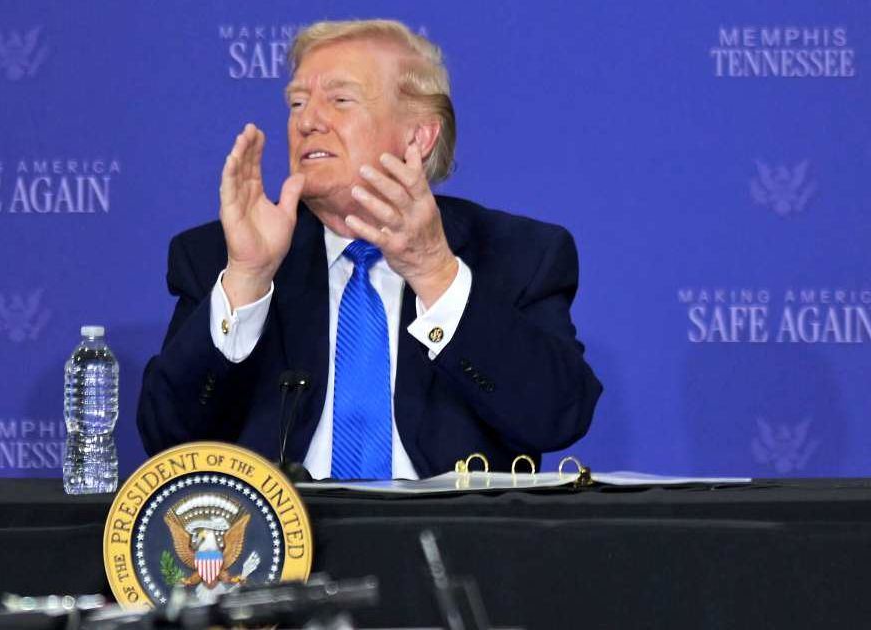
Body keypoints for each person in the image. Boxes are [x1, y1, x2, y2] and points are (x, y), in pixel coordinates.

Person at [138, 19, 601, 479]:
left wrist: (435, 272)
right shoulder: (223, 257)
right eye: (297, 102)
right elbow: (168, 441)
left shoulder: (517, 255)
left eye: (340, 100)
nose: (308, 121)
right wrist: (247, 280)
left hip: (453, 546)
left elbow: (558, 415)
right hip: (284, 544)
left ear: (418, 136)